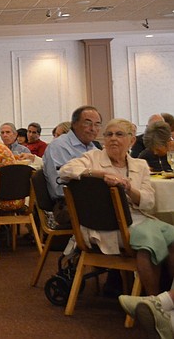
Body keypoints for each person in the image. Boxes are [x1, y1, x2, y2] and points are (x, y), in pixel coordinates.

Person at [61, 118, 174, 297]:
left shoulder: (140, 165)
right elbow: (65, 171)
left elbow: (149, 202)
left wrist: (130, 189)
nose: (113, 138)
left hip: (137, 218)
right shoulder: (93, 157)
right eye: (109, 134)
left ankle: (168, 298)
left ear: (132, 140)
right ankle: (154, 300)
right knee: (148, 241)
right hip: (104, 225)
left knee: (171, 236)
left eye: (119, 134)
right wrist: (100, 174)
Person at [42, 106, 102, 226]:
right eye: (87, 123)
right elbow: (60, 188)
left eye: (97, 124)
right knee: (115, 210)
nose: (93, 129)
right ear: (74, 124)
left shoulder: (93, 148)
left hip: (91, 199)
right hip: (67, 204)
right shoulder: (59, 146)